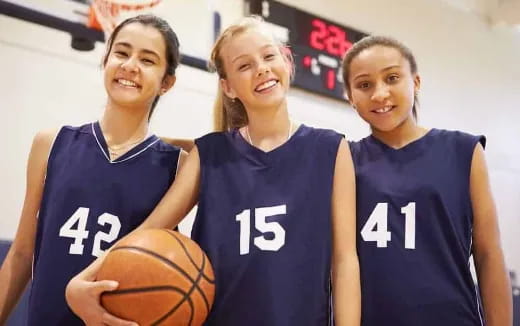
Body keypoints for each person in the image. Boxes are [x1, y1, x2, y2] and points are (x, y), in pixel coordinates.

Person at [66, 16, 361, 326]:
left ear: (287, 63)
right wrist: (80, 283)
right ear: (228, 87)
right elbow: (149, 229)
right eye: (244, 66)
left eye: (269, 56)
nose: (261, 68)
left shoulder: (330, 149)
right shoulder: (208, 155)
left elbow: (345, 261)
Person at [0, 14, 189, 325]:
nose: (130, 65)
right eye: (122, 52)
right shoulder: (51, 143)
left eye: (147, 59)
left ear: (166, 82)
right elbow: (21, 253)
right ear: (106, 59)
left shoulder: (177, 166)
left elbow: (218, 150)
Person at [342, 35, 512, 326]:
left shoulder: (463, 150)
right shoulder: (344, 159)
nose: (380, 94)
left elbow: (488, 254)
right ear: (350, 97)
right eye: (364, 85)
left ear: (416, 82)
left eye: (392, 77)